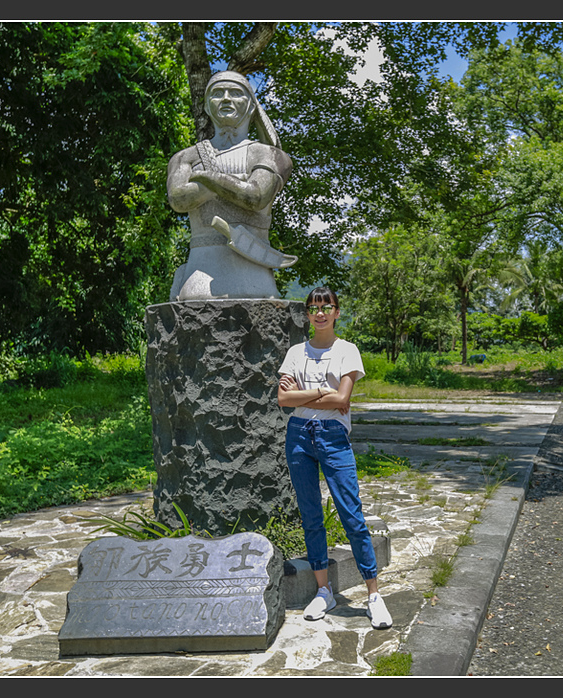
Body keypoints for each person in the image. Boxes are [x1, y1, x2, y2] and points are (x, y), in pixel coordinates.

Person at [277, 287, 392, 629]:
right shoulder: (295, 352)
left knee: (351, 513)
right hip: (298, 435)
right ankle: (323, 590)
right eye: (314, 307)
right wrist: (321, 393)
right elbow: (284, 401)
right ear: (307, 314)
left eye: (326, 307)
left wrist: (307, 396)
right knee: (311, 515)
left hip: (333, 436)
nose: (320, 313)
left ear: (337, 312)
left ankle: (373, 594)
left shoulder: (347, 351)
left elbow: (344, 397)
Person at [166, 70, 296, 301]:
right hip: (200, 274)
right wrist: (238, 182)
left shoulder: (270, 155)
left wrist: (206, 179)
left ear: (251, 105)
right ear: (206, 106)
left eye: (235, 93)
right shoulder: (184, 158)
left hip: (254, 276)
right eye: (217, 93)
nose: (226, 98)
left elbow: (256, 197)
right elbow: (178, 199)